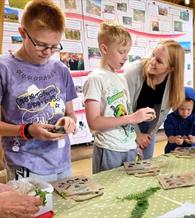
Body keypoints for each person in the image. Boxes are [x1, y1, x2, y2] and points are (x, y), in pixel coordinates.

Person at [0, 0, 77, 182]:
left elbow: (71, 114)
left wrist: (68, 121)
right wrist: (26, 130)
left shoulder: (61, 70)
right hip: (24, 165)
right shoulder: (4, 69)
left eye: (54, 46)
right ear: (22, 33)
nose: (48, 52)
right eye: (41, 44)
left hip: (62, 163)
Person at [83, 22, 156, 173]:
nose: (125, 57)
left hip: (128, 148)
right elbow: (94, 122)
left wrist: (135, 134)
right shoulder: (95, 79)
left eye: (127, 52)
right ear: (104, 49)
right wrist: (132, 118)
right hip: (109, 149)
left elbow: (124, 114)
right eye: (121, 52)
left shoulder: (121, 79)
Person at [124, 39, 185, 159]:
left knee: (146, 163)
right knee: (128, 163)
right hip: (126, 123)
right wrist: (137, 134)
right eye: (153, 55)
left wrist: (147, 135)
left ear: (171, 68)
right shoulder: (133, 72)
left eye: (159, 61)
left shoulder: (173, 82)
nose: (152, 61)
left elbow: (161, 114)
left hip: (149, 126)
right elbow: (125, 108)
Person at [164, 87, 195, 153]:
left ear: (193, 108)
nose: (185, 113)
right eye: (182, 109)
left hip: (191, 150)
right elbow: (170, 138)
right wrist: (175, 139)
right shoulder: (170, 118)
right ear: (177, 106)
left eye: (188, 109)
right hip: (172, 150)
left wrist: (194, 139)